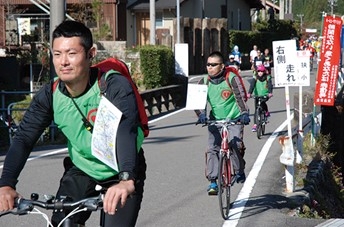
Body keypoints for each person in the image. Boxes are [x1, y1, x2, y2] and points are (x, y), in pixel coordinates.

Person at [0, 20, 146, 227]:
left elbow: (126, 131)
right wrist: (6, 183)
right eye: (57, 54)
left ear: (90, 54)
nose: (63, 62)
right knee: (62, 223)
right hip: (82, 169)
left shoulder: (113, 86)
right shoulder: (50, 94)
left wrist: (126, 179)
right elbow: (24, 138)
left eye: (72, 53)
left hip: (122, 169)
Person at [196, 51, 250, 195]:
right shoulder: (204, 81)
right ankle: (213, 181)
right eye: (208, 64)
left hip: (234, 118)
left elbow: (241, 97)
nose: (210, 67)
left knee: (235, 144)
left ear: (222, 66)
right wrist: (201, 115)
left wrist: (244, 114)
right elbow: (198, 102)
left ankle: (239, 170)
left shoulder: (231, 78)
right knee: (212, 148)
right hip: (215, 120)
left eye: (213, 65)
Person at [247, 65, 273, 132]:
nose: (260, 73)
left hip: (265, 94)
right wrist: (249, 93)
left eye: (261, 71)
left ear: (264, 71)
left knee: (263, 102)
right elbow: (252, 85)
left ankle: (266, 112)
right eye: (259, 71)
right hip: (257, 95)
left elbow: (270, 85)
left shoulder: (267, 77)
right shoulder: (255, 78)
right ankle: (255, 124)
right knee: (256, 109)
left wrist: (270, 92)